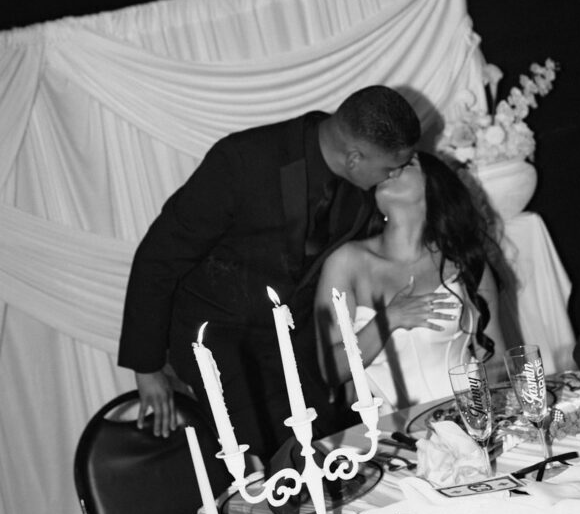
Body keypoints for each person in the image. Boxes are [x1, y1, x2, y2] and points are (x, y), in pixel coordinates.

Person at [118, 86, 420, 472]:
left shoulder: (363, 188)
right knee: (266, 464)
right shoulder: (243, 160)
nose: (393, 175)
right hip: (218, 339)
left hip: (293, 343)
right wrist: (147, 369)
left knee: (332, 451)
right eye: (390, 168)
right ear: (355, 158)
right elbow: (159, 256)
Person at [314, 151, 505, 412]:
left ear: (433, 185)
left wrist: (492, 421)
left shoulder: (463, 260)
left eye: (405, 164)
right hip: (395, 439)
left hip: (473, 420)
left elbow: (494, 361)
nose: (389, 170)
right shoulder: (347, 262)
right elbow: (331, 370)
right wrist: (388, 319)